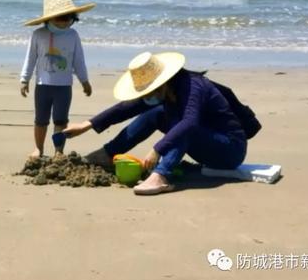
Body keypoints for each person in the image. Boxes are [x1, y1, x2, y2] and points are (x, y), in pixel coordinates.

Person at [62, 51, 248, 195]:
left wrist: (158, 149)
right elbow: (125, 108)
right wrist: (87, 124)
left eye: (148, 92)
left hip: (229, 150)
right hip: (205, 148)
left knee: (186, 126)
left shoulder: (193, 86)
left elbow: (190, 123)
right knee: (155, 113)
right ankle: (107, 154)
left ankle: (161, 175)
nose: (146, 96)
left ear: (162, 82)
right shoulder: (165, 90)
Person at [20, 0, 95, 158]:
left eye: (67, 18)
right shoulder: (38, 35)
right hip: (43, 85)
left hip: (64, 87)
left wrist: (84, 80)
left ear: (73, 18)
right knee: (41, 119)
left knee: (61, 120)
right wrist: (24, 79)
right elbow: (30, 57)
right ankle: (38, 148)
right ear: (49, 19)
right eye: (59, 18)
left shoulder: (73, 35)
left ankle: (58, 151)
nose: (63, 22)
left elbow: (78, 60)